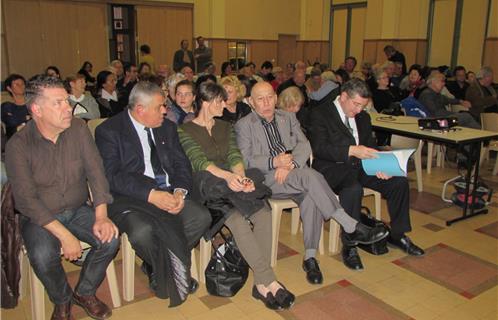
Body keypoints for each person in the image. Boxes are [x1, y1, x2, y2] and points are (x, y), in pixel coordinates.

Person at [235, 82, 388, 284]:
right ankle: (350, 224)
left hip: (292, 172)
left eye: (270, 97)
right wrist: (274, 162)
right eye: (260, 99)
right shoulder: (244, 125)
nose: (267, 103)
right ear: (251, 102)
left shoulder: (287, 117)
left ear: (276, 97)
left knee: (311, 195)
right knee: (309, 176)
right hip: (267, 179)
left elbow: (304, 145)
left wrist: (290, 165)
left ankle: (310, 258)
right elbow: (245, 160)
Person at [5, 75, 119, 320]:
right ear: (37, 109)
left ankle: (85, 292)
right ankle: (62, 299)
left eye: (66, 101)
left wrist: (101, 216)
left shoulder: (78, 129)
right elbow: (26, 200)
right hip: (40, 218)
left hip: (78, 208)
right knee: (43, 255)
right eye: (58, 103)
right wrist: (64, 235)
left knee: (110, 239)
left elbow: (96, 171)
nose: (68, 108)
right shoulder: (18, 145)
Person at [178, 82, 295, 310]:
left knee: (263, 212)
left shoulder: (225, 127)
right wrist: (229, 179)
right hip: (210, 189)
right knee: (239, 221)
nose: (226, 104)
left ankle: (261, 284)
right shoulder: (184, 130)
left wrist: (240, 177)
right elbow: (199, 161)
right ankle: (269, 280)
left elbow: (234, 154)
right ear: (206, 102)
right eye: (221, 101)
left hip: (232, 183)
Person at [94, 81, 211, 307]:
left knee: (201, 218)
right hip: (132, 196)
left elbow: (181, 164)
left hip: (169, 191)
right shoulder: (109, 131)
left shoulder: (166, 127)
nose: (165, 111)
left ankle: (157, 264)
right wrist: (151, 194)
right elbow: (112, 176)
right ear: (140, 110)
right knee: (142, 231)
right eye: (160, 107)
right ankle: (167, 267)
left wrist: (179, 192)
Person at [309, 78, 425, 271]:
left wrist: (382, 165)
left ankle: (397, 235)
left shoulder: (363, 118)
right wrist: (351, 150)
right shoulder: (320, 113)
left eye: (363, 106)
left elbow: (369, 147)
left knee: (399, 183)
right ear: (344, 96)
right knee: (352, 189)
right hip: (331, 169)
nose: (359, 110)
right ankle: (350, 243)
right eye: (356, 105)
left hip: (361, 166)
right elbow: (320, 148)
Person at [1, 74, 30, 138]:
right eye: (17, 84)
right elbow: (8, 128)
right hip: (14, 140)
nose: (20, 86)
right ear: (9, 88)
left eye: (22, 84)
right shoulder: (6, 107)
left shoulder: (32, 104)